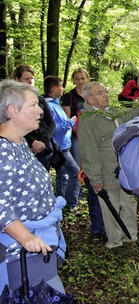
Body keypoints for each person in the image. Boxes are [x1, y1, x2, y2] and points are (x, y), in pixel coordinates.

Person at [0, 80, 68, 294]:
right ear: (12, 110)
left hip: (34, 250)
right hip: (17, 255)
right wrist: (26, 237)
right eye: (33, 105)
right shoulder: (3, 150)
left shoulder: (19, 145)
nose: (41, 110)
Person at [78, 81, 139, 251]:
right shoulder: (88, 120)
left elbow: (128, 115)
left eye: (105, 91)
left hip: (125, 171)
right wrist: (95, 179)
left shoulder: (112, 113)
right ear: (90, 99)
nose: (105, 95)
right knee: (112, 208)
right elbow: (88, 152)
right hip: (106, 173)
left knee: (129, 203)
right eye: (100, 93)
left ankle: (130, 236)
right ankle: (115, 241)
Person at [61, 67, 105, 239]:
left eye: (83, 78)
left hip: (96, 140)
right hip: (76, 136)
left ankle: (101, 224)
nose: (80, 81)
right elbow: (68, 119)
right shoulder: (69, 96)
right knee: (81, 169)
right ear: (73, 80)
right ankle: (75, 200)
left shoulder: (94, 95)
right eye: (77, 78)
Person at [43, 76, 80, 209]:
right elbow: (53, 129)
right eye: (61, 86)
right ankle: (70, 204)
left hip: (65, 146)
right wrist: (71, 122)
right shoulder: (49, 106)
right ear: (54, 88)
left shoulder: (55, 103)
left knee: (63, 175)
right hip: (60, 148)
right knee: (74, 172)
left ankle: (62, 203)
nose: (63, 89)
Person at [14, 64, 57, 169]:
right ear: (17, 79)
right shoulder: (11, 99)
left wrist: (43, 141)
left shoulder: (40, 99)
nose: (30, 81)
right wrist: (32, 141)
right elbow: (11, 125)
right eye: (26, 78)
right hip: (22, 146)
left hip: (44, 148)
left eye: (32, 78)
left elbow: (51, 123)